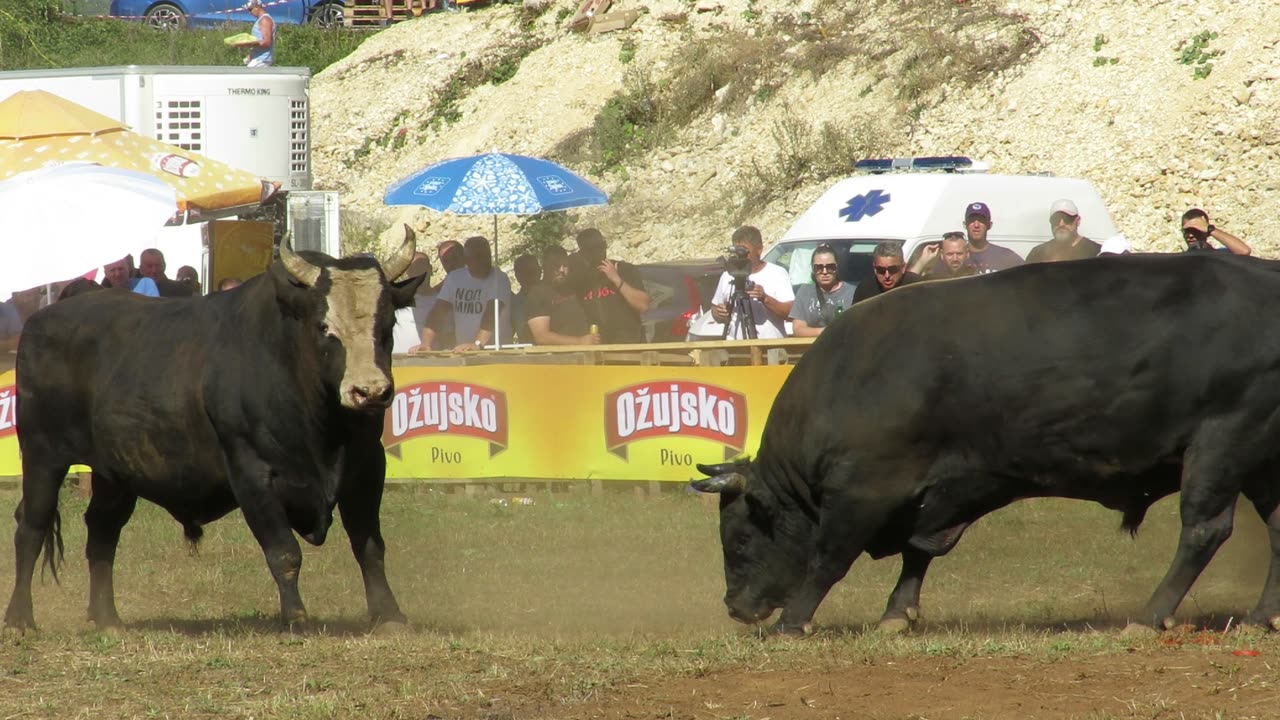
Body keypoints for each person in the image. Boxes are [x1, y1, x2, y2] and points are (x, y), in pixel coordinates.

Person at [415, 235, 512, 352]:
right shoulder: (454, 278)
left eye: (485, 256)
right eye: (477, 257)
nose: (484, 261)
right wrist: (426, 343)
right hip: (464, 350)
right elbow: (438, 312)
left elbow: (492, 312)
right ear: (467, 259)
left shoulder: (499, 278)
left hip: (496, 351)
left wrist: (477, 343)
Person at [710, 225, 795, 340]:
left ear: (759, 249)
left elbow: (790, 313)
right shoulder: (728, 275)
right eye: (737, 251)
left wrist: (765, 298)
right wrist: (719, 312)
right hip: (737, 348)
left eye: (744, 252)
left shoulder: (777, 273)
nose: (740, 256)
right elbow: (715, 310)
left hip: (770, 347)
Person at [573, 228, 649, 344]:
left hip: (629, 346)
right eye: (590, 250)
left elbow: (643, 305)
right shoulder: (581, 280)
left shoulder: (624, 269)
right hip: (598, 349)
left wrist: (616, 279)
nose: (596, 253)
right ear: (583, 253)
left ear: (604, 246)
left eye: (599, 247)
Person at [525, 246, 598, 346]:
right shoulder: (537, 293)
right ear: (545, 266)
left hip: (586, 354)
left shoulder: (574, 287)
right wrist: (580, 341)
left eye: (565, 265)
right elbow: (541, 337)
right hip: (559, 357)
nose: (562, 270)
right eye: (556, 265)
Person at [789, 243, 856, 337]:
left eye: (830, 267)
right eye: (819, 268)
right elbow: (798, 330)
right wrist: (827, 332)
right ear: (813, 269)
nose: (825, 272)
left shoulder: (854, 293)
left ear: (836, 268)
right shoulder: (804, 292)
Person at [1026, 199, 1101, 264]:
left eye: (1067, 218)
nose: (1061, 224)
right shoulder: (1037, 253)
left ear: (1078, 221)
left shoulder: (1096, 253)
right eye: (1056, 219)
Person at [961, 202, 1023, 273]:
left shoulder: (1007, 257)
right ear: (965, 224)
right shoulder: (955, 258)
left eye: (981, 220)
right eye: (972, 220)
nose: (976, 225)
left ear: (989, 225)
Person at [851, 242, 922, 305]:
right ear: (875, 269)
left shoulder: (917, 286)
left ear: (903, 267)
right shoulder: (865, 290)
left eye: (892, 269)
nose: (887, 275)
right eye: (881, 270)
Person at [392, 252, 433, 354]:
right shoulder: (395, 299)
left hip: (433, 363)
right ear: (407, 271)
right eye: (413, 268)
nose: (418, 272)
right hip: (400, 364)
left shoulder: (443, 301)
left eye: (421, 266)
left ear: (430, 269)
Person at [1180, 208, 1251, 255]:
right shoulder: (1179, 260)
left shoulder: (1221, 255)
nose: (1190, 236)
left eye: (1195, 230)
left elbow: (1244, 251)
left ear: (1205, 232)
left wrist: (1211, 229)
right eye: (1186, 231)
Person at [233, 0, 276, 68]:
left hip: (261, 61)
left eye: (250, 9)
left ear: (256, 7)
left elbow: (267, 42)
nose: (249, 12)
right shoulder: (260, 19)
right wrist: (251, 55)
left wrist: (247, 44)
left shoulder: (265, 20)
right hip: (257, 59)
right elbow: (259, 39)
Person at [511, 253, 541, 345]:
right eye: (525, 272)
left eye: (532, 271)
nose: (530, 275)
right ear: (517, 275)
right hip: (526, 352)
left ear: (539, 271)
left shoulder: (552, 295)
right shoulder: (514, 302)